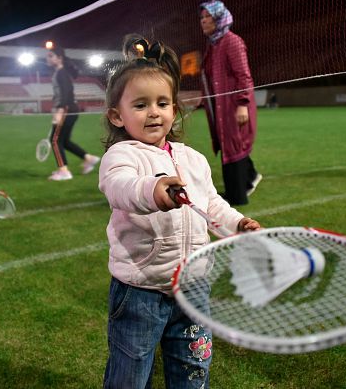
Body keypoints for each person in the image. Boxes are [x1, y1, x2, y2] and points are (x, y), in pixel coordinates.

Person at [98, 37, 261, 388]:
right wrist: (153, 189)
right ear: (117, 115)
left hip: (195, 287)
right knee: (130, 371)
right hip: (142, 289)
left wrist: (237, 223)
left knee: (192, 367)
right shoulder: (121, 156)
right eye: (140, 105)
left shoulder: (193, 159)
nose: (153, 112)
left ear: (174, 109)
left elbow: (211, 204)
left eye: (161, 103)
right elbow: (120, 186)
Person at [199, 0, 261, 206]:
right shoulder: (213, 45)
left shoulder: (232, 41)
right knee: (230, 142)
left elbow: (244, 76)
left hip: (234, 106)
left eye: (208, 17)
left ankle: (237, 195)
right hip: (220, 107)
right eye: (202, 17)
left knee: (233, 143)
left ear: (219, 18)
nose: (203, 21)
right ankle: (250, 177)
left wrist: (243, 104)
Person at [45, 46, 100, 181]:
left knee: (55, 140)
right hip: (70, 109)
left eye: (51, 56)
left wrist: (60, 110)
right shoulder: (61, 72)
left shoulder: (61, 73)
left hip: (67, 109)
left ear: (59, 58)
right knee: (64, 141)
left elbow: (65, 93)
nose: (48, 58)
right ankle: (89, 158)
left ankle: (63, 171)